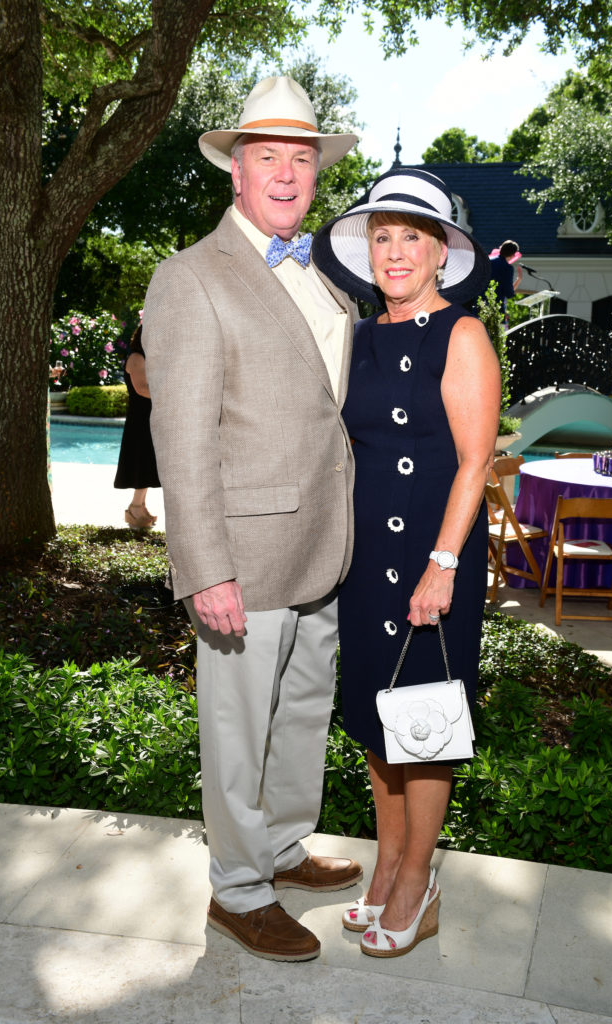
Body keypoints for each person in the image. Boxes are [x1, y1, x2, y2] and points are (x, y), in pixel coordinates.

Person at [142, 76, 363, 962]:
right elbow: (181, 436)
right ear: (234, 172)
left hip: (320, 543)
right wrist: (205, 566)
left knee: (302, 708)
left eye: (300, 159)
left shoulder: (317, 274)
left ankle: (281, 847)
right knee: (238, 728)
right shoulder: (190, 277)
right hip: (244, 551)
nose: (285, 174)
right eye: (266, 157)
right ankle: (237, 889)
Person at [312, 168, 500, 957]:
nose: (394, 251)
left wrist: (443, 563)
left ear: (440, 252)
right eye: (381, 237)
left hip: (432, 550)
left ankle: (418, 881)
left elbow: (474, 461)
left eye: (411, 238)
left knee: (422, 723)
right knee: (374, 717)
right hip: (365, 559)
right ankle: (386, 865)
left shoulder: (462, 333)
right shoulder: (358, 336)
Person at [114, 323, 160, 529]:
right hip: (140, 419)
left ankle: (139, 506)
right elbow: (142, 389)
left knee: (148, 462)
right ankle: (134, 508)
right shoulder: (136, 358)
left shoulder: (147, 357)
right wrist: (170, 394)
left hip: (149, 416)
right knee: (142, 462)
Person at [489, 239, 522, 324]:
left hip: (479, 307)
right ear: (513, 254)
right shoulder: (507, 268)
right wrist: (519, 279)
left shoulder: (488, 261)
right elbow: (509, 293)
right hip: (495, 310)